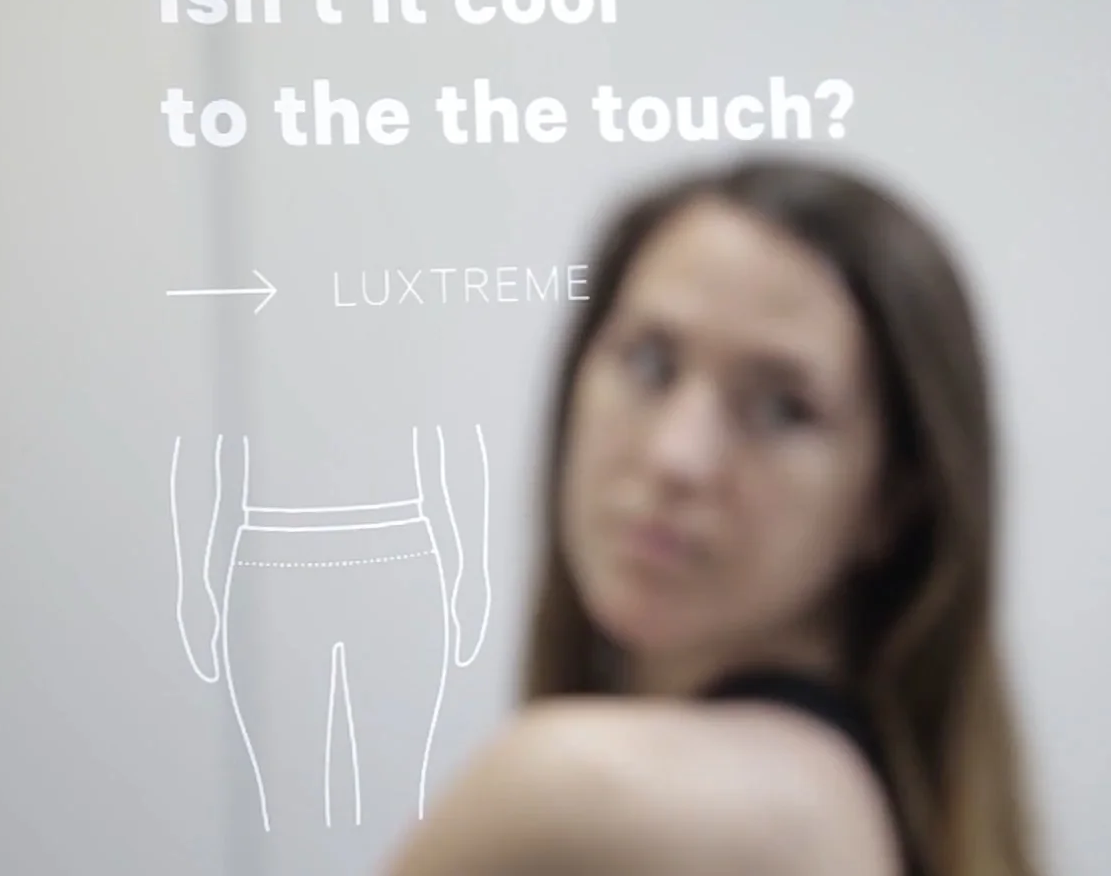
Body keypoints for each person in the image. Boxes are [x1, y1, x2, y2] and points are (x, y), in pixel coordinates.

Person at [385, 151, 1044, 876]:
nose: (677, 456)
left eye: (781, 409)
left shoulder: (568, 792)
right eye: (650, 363)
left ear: (892, 501)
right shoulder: (860, 803)